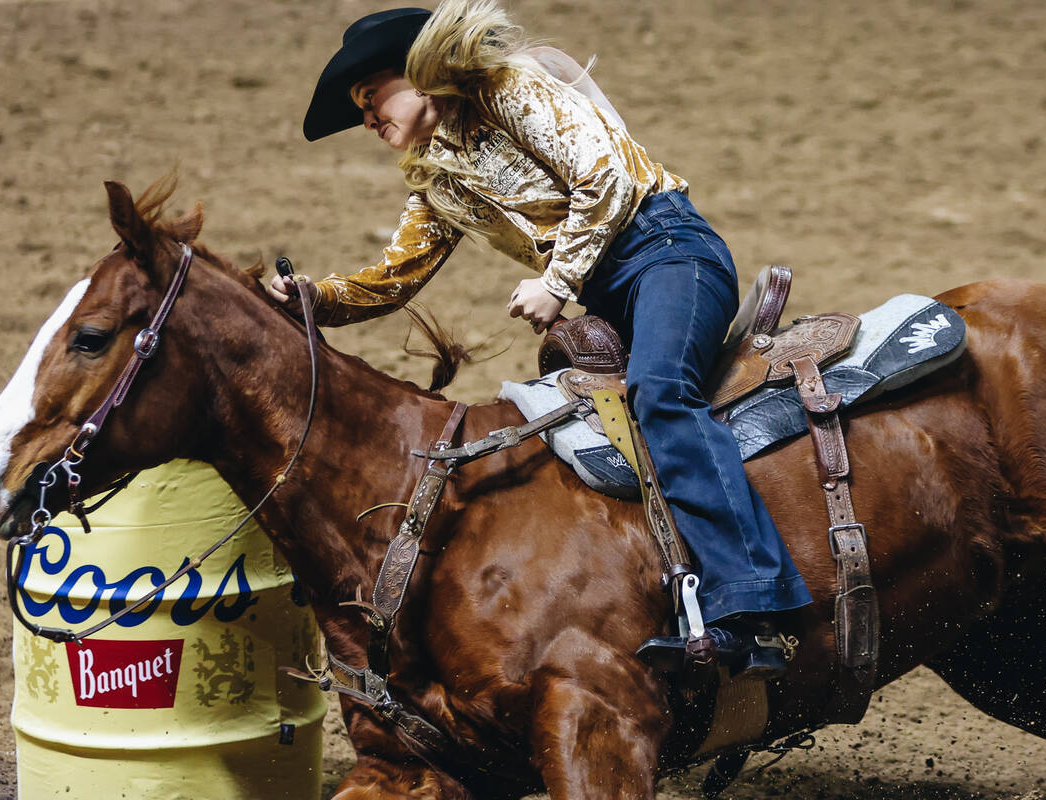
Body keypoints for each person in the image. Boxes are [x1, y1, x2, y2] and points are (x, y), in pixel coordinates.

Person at [272, 0, 811, 679]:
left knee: (659, 393)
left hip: (670, 249)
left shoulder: (508, 88)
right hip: (616, 288)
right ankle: (673, 597)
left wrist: (557, 282)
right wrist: (315, 299)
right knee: (586, 426)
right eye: (361, 110)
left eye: (371, 96)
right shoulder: (440, 183)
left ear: (416, 74)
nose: (368, 118)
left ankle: (756, 596)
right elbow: (392, 279)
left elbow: (605, 175)